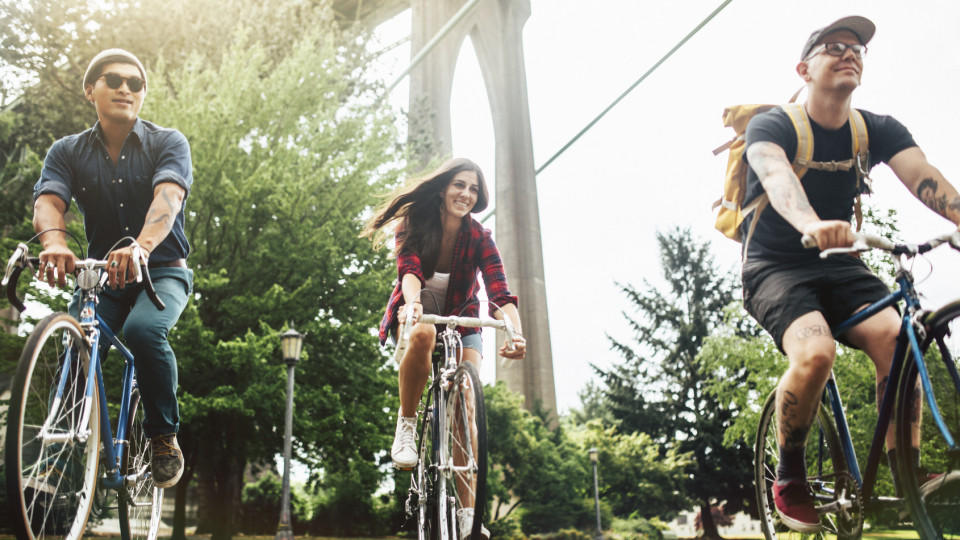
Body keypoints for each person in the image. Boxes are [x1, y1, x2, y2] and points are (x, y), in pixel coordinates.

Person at [741, 16, 960, 533]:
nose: (850, 53)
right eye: (834, 47)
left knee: (898, 341)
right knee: (817, 352)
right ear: (804, 67)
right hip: (776, 267)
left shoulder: (875, 129)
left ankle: (906, 474)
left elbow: (923, 176)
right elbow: (776, 178)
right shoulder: (772, 125)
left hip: (843, 265)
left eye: (858, 49)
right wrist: (813, 225)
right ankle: (789, 475)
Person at [33, 48, 194, 489]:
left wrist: (141, 248)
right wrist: (55, 242)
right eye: (113, 80)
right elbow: (49, 201)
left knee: (144, 331)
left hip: (163, 272)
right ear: (91, 91)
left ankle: (163, 437)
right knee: (78, 343)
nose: (126, 88)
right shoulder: (66, 152)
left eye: (135, 83)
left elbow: (169, 200)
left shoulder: (167, 142)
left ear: (142, 94)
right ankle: (57, 462)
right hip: (103, 275)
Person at [364, 158, 526, 539]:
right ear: (442, 188)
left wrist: (514, 333)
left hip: (463, 318)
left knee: (465, 409)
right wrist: (413, 304)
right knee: (423, 335)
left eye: (473, 189)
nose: (466, 195)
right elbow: (410, 270)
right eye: (460, 185)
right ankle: (406, 426)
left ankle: (470, 517)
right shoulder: (415, 224)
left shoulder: (480, 238)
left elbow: (500, 293)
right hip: (418, 311)